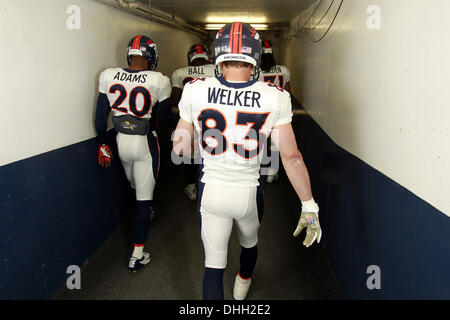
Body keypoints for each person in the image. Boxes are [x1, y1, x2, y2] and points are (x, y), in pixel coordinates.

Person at [172, 22, 322, 300]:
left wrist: (207, 144)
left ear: (218, 53)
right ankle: (242, 284)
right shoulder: (274, 97)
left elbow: (180, 149)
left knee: (213, 268)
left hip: (211, 191)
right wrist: (308, 204)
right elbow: (291, 156)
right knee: (249, 245)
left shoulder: (195, 89)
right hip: (248, 193)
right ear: (255, 55)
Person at [95, 35, 171, 272]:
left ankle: (143, 215)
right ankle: (137, 254)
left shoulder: (108, 75)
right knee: (143, 198)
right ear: (151, 56)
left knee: (133, 185)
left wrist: (101, 143)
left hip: (119, 141)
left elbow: (100, 116)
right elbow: (165, 119)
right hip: (144, 143)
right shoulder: (159, 80)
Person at [170, 44, 216, 201]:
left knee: (189, 156)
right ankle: (210, 189)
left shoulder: (179, 73)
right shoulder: (216, 69)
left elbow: (175, 100)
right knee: (212, 155)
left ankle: (191, 187)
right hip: (212, 121)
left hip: (190, 122)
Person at [257, 39, 292, 183]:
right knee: (275, 143)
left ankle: (261, 169)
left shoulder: (255, 71)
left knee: (262, 141)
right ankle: (272, 172)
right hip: (278, 109)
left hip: (261, 109)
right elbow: (287, 92)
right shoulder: (284, 70)